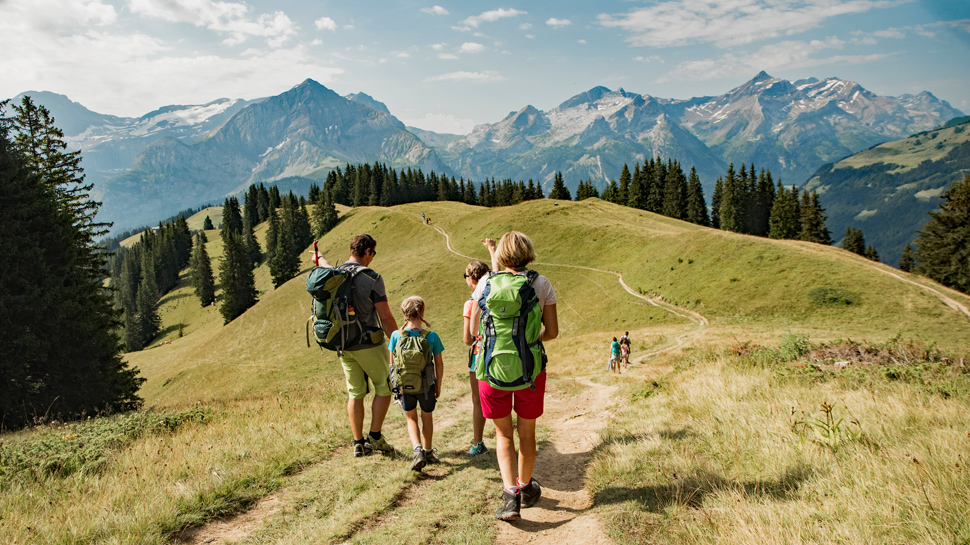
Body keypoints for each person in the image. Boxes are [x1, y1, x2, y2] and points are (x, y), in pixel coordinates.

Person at [466, 231, 559, 521]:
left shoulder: (484, 282)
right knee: (526, 433)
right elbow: (553, 332)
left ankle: (510, 497)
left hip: (491, 371)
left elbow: (472, 334)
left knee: (503, 434)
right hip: (530, 371)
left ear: (502, 256)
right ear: (529, 253)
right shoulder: (541, 283)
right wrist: (530, 342)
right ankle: (525, 485)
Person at [310, 234, 399, 458]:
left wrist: (319, 257)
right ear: (367, 251)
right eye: (373, 253)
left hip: (343, 344)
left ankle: (358, 443)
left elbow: (325, 264)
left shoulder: (336, 275)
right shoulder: (372, 278)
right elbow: (386, 317)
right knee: (384, 386)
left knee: (355, 392)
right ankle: (376, 436)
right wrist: (398, 342)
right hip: (368, 343)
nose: (373, 257)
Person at [387, 296, 445, 472]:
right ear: (422, 312)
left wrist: (396, 387)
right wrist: (438, 384)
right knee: (426, 417)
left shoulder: (396, 336)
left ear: (404, 313)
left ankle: (417, 450)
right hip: (427, 386)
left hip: (405, 386)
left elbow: (392, 364)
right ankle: (428, 451)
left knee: (411, 417)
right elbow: (439, 364)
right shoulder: (432, 336)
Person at [461, 261, 491, 457]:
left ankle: (478, 442)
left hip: (478, 355)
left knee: (477, 401)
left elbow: (467, 339)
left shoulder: (471, 302)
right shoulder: (493, 296)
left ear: (472, 280)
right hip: (497, 350)